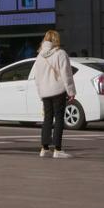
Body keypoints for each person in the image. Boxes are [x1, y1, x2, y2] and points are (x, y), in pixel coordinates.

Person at [32, 29, 76, 158]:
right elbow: (66, 74)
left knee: (47, 119)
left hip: (45, 92)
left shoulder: (39, 56)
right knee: (59, 119)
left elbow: (37, 77)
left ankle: (44, 148)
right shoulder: (60, 53)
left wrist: (40, 93)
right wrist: (71, 91)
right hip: (58, 90)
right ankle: (58, 149)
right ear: (56, 40)